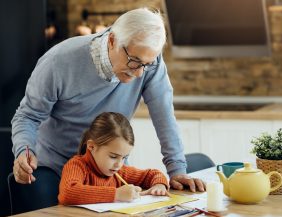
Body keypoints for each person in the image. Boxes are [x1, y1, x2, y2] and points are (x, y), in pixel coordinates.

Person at [11, 8, 205, 201]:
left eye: (147, 64)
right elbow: (28, 116)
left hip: (109, 173)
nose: (139, 74)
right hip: (58, 173)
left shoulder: (147, 63)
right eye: (134, 61)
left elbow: (165, 118)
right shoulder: (58, 62)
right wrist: (24, 150)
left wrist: (177, 170)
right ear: (112, 41)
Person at [58, 112, 169, 205]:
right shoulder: (76, 166)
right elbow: (67, 193)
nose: (119, 164)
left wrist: (159, 185)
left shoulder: (120, 172)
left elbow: (152, 174)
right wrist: (117, 194)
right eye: (113, 156)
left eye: (124, 157)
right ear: (91, 146)